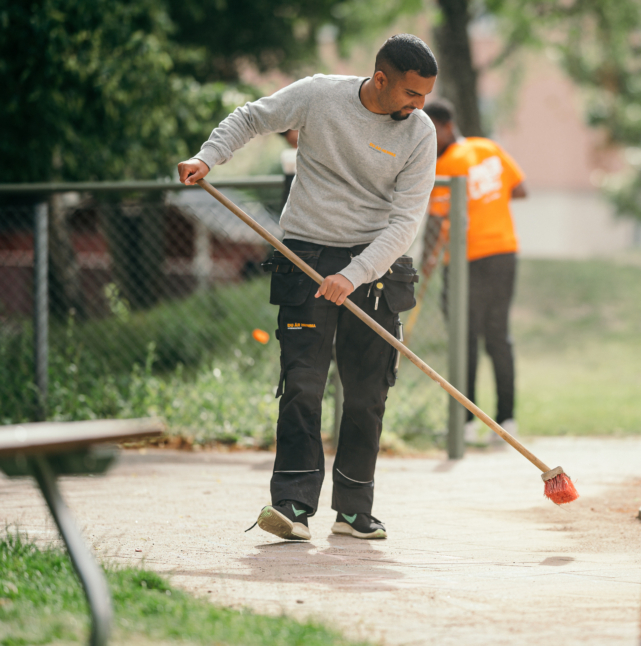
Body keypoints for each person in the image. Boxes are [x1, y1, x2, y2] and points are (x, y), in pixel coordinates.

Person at [177, 34, 438, 541]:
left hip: (376, 269)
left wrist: (355, 274)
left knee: (367, 394)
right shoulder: (320, 95)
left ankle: (353, 511)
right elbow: (252, 116)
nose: (419, 105)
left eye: (426, 95)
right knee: (302, 384)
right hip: (306, 256)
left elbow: (405, 221)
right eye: (411, 93)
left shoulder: (420, 132)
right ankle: (293, 507)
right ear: (381, 79)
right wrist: (209, 156)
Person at [420, 99, 527, 446]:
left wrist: (425, 264)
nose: (426, 138)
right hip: (504, 253)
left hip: (465, 260)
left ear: (447, 126)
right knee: (498, 336)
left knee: (464, 338)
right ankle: (507, 421)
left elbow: (436, 222)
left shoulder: (444, 165)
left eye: (430, 131)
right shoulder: (488, 147)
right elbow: (520, 190)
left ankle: (464, 422)